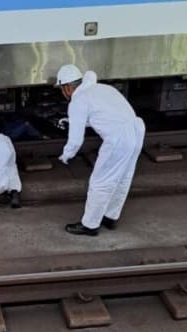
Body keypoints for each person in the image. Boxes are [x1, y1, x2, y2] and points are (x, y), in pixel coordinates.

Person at [56, 64, 145, 236]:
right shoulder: (102, 88)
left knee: (100, 182)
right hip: (136, 130)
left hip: (118, 139)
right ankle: (111, 217)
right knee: (122, 178)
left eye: (62, 89)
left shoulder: (78, 99)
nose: (63, 93)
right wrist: (71, 120)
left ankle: (90, 225)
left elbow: (76, 140)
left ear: (67, 87)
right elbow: (102, 114)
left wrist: (66, 155)